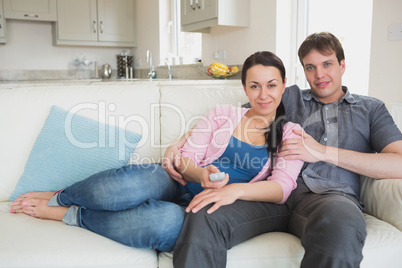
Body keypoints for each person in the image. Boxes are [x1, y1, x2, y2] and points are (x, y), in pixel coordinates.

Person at [10, 51, 304, 253]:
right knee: (126, 186)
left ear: (283, 86)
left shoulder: (290, 134)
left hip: (206, 208)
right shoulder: (223, 114)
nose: (263, 94)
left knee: (161, 223)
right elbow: (185, 158)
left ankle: (70, 214)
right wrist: (201, 174)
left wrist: (233, 192)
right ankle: (63, 194)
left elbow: (281, 188)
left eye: (271, 85)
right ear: (244, 87)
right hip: (174, 179)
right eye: (255, 86)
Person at [164, 32, 402, 268]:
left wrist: (322, 151)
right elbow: (230, 120)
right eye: (310, 67)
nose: (319, 75)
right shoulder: (289, 96)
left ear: (342, 65)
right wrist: (178, 144)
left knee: (340, 225)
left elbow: (398, 162)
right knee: (206, 214)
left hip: (331, 199)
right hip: (271, 197)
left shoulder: (371, 109)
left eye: (327, 64)